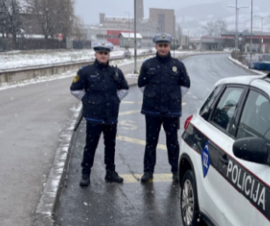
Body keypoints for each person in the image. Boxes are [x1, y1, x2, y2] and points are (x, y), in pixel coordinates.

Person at [70, 41, 129, 187]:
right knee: (90, 146)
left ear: (109, 55)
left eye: (106, 53)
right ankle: (85, 174)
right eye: (101, 53)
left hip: (111, 116)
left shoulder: (115, 72)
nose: (103, 56)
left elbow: (125, 88)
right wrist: (87, 100)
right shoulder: (86, 71)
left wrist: (116, 99)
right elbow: (75, 89)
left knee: (110, 146)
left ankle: (110, 172)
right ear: (95, 54)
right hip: (94, 117)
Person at [138, 33, 190, 183]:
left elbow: (185, 85)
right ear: (156, 46)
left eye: (165, 45)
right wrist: (153, 96)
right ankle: (148, 171)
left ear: (169, 46)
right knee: (150, 142)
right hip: (152, 110)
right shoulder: (147, 64)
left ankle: (175, 170)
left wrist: (173, 97)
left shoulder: (178, 65)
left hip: (171, 111)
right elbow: (142, 85)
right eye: (160, 45)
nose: (162, 48)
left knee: (172, 142)